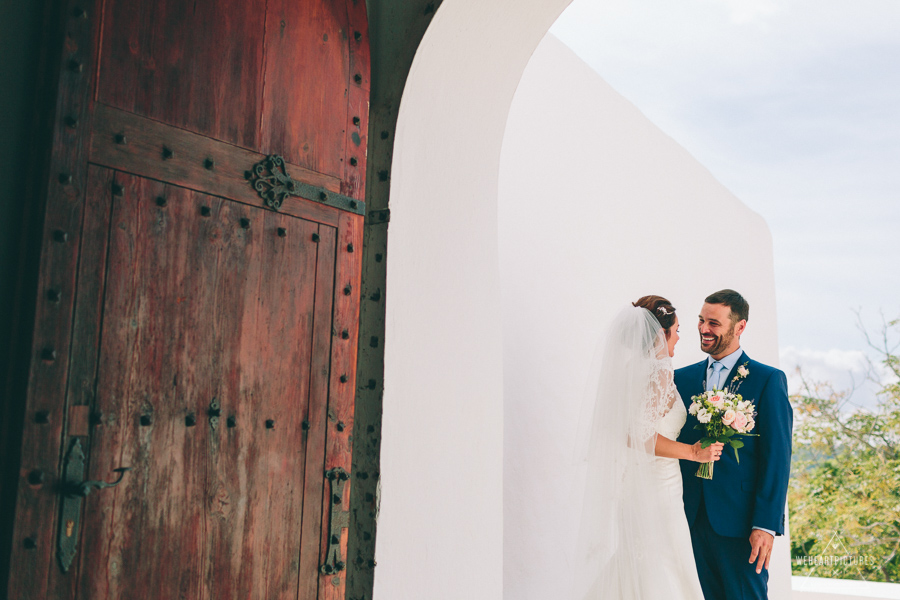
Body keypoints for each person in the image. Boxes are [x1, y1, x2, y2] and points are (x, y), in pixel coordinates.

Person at [573, 295, 722, 599]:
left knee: (644, 561)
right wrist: (693, 452)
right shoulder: (659, 372)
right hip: (658, 488)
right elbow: (637, 436)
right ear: (661, 334)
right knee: (664, 563)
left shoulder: (632, 372)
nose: (679, 338)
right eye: (677, 330)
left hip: (638, 487)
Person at [675, 289, 792, 600]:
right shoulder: (680, 379)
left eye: (714, 323)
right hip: (689, 518)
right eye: (701, 320)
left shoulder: (767, 380)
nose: (703, 329)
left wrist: (766, 525)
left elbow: (777, 458)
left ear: (739, 327)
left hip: (741, 524)